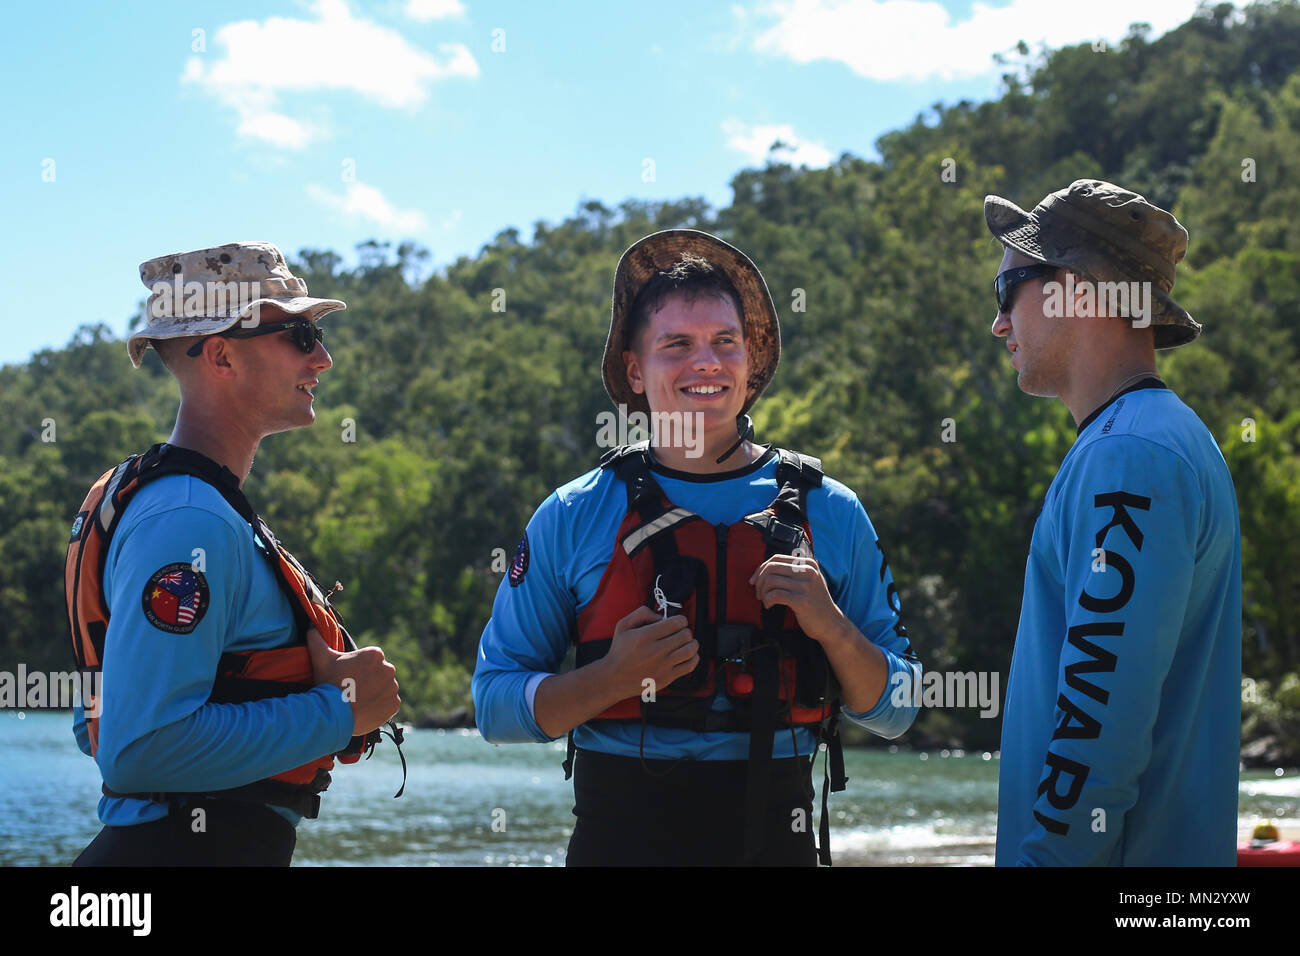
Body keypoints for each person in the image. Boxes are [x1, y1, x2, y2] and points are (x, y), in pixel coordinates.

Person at [473, 229, 921, 866]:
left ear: (749, 361)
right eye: (676, 344)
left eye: (724, 342)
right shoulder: (573, 513)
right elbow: (494, 706)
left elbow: (900, 710)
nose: (705, 362)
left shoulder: (832, 510)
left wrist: (833, 629)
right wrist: (612, 679)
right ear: (635, 370)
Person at [66, 241, 401, 866]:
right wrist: (339, 710)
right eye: (298, 334)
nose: (323, 358)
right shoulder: (189, 521)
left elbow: (101, 726)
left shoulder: (191, 507)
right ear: (220, 354)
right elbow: (137, 748)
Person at [984, 180, 1242, 865]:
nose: (999, 322)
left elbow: (1099, 725)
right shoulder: (1160, 438)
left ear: (1077, 287)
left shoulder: (1129, 455)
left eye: (1007, 288)